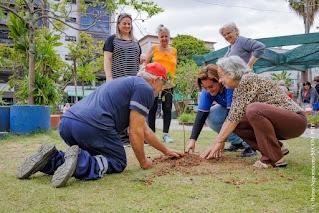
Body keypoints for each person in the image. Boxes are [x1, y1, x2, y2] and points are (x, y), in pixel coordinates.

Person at [17, 62, 184, 188]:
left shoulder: (127, 82)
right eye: (163, 85)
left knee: (93, 156)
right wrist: (143, 162)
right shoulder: (145, 89)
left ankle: (50, 160)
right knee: (117, 161)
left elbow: (144, 129)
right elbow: (135, 132)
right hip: (92, 126)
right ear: (155, 80)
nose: (161, 90)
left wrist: (165, 151)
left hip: (67, 124)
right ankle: (81, 163)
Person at [200, 56, 307, 169]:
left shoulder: (248, 80)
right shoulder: (239, 87)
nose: (220, 80)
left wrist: (218, 141)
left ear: (231, 73)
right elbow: (233, 118)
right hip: (283, 123)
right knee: (238, 123)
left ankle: (272, 158)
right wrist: (219, 141)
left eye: (221, 76)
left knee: (253, 109)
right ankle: (276, 149)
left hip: (295, 121)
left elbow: (234, 118)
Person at [185, 64, 255, 157]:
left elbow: (231, 115)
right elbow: (201, 116)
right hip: (232, 110)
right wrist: (192, 140)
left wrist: (220, 139)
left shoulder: (230, 85)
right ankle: (237, 143)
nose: (208, 90)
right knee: (213, 116)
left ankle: (250, 145)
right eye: (205, 87)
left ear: (220, 80)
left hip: (249, 110)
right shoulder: (206, 92)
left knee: (239, 117)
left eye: (211, 86)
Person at [218, 22, 266, 155]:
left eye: (229, 33)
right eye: (224, 35)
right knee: (235, 113)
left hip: (245, 83)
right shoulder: (230, 48)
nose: (227, 36)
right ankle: (238, 142)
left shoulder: (242, 41)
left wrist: (249, 64)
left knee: (245, 114)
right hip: (234, 86)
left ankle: (251, 146)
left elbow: (260, 47)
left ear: (236, 31)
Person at [103, 13, 144, 147]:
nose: (127, 26)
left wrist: (142, 59)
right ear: (118, 25)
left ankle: (131, 136)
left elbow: (137, 62)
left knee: (131, 108)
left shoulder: (135, 42)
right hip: (117, 80)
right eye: (124, 23)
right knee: (118, 108)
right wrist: (109, 77)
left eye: (129, 23)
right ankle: (120, 138)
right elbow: (107, 60)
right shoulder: (112, 40)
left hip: (132, 80)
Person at [145, 24, 177, 143]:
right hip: (154, 83)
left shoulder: (174, 51)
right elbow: (146, 65)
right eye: (162, 36)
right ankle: (151, 133)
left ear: (169, 37)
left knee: (167, 108)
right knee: (152, 107)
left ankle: (166, 134)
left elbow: (174, 67)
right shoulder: (154, 48)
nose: (164, 39)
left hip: (168, 83)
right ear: (158, 38)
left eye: (166, 36)